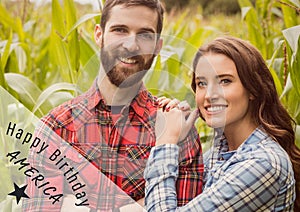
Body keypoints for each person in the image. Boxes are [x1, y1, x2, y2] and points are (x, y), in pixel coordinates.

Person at [22, 0, 203, 211]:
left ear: (158, 47)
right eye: (120, 30)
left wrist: (73, 206)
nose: (130, 45)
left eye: (145, 35)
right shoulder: (55, 128)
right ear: (99, 34)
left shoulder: (176, 132)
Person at [144, 36, 300, 211]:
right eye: (201, 83)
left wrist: (165, 143)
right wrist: (182, 142)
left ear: (252, 89)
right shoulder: (219, 152)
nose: (209, 95)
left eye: (225, 81)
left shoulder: (264, 164)